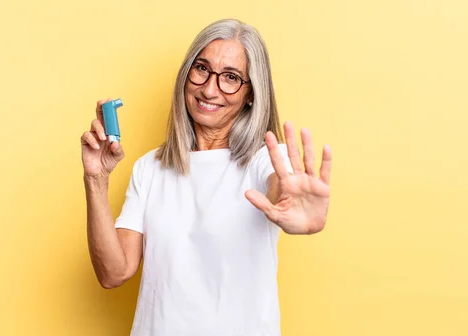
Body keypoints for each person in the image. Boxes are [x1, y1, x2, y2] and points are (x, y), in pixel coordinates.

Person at [80, 18, 332, 336]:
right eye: (201, 69)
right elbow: (113, 273)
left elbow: (279, 186)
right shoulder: (150, 168)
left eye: (230, 77)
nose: (210, 89)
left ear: (251, 93)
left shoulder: (267, 159)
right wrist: (96, 178)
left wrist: (292, 201)